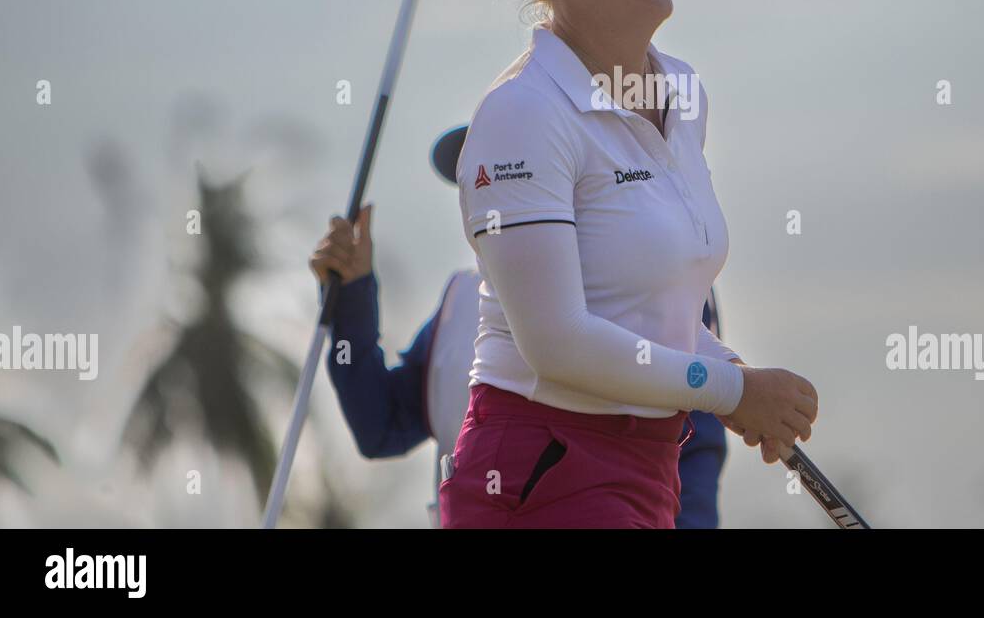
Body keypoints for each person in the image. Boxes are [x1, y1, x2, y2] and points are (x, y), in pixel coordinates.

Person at [437, 0, 818, 529]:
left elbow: (652, 315)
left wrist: (732, 375)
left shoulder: (684, 93)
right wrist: (732, 391)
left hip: (647, 465)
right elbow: (557, 344)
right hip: (537, 465)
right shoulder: (522, 112)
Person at [308, 126, 735, 527]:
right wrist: (352, 294)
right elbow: (381, 425)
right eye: (479, 178)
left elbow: (694, 444)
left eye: (508, 175)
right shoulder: (463, 300)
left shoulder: (644, 285)